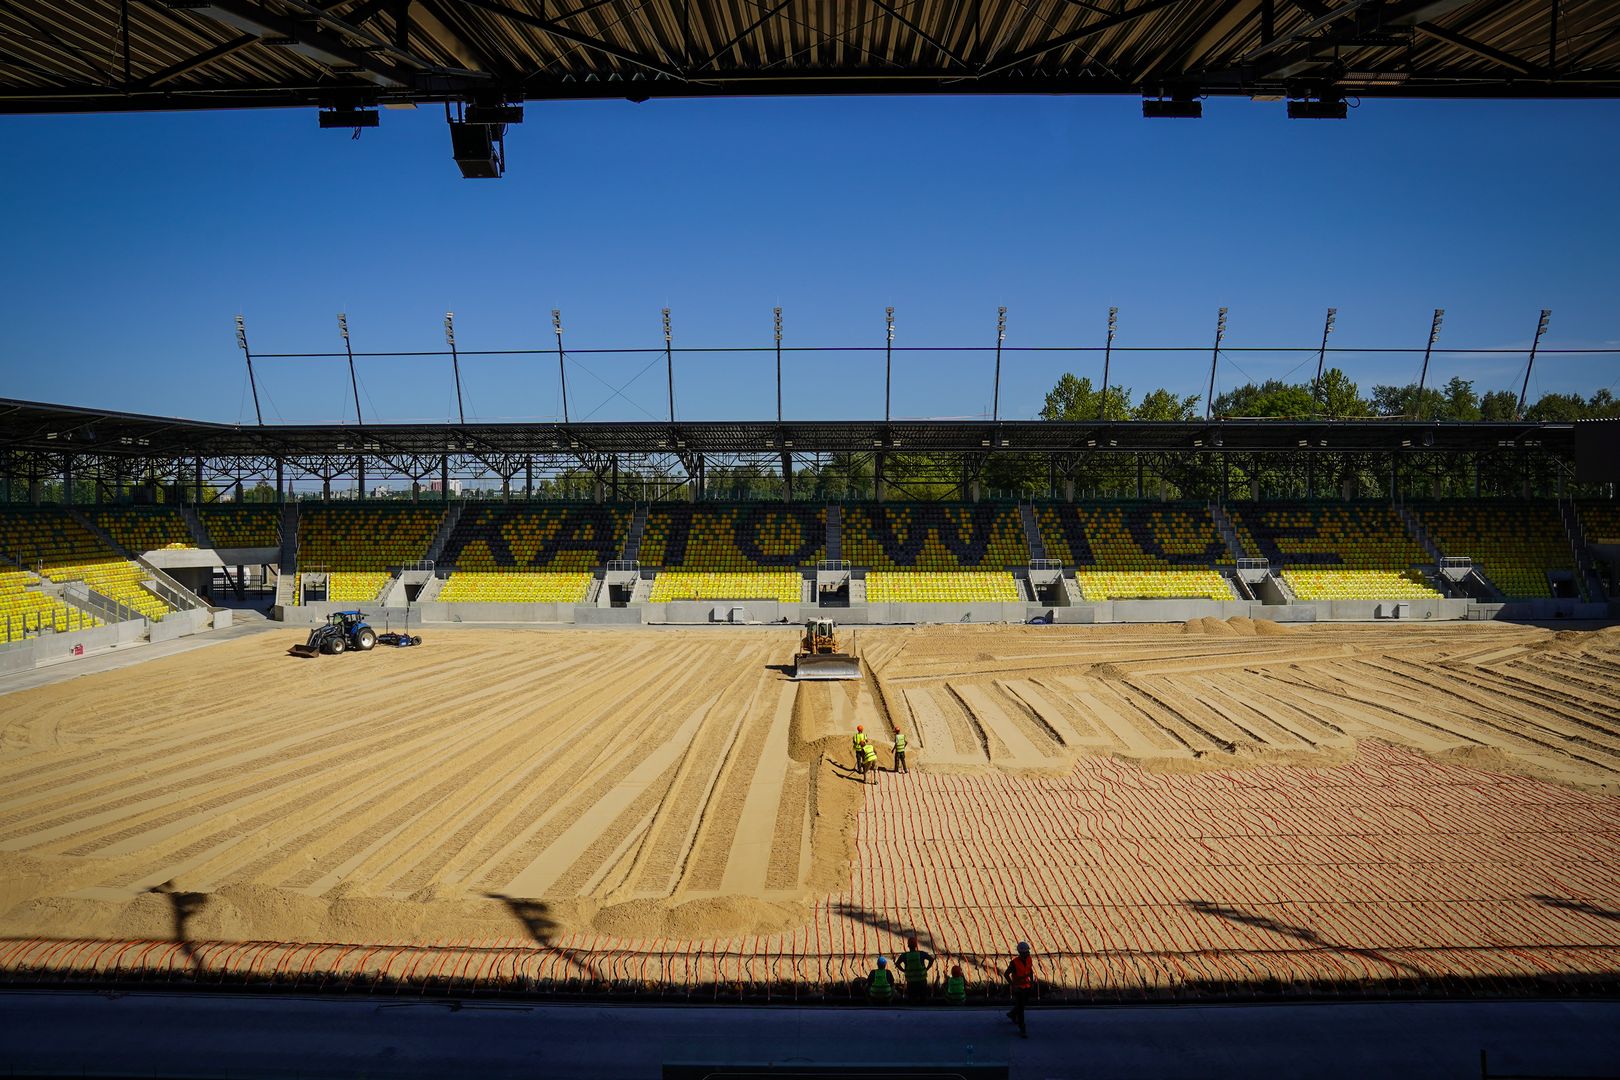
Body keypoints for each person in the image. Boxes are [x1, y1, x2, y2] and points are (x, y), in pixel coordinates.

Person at [1004, 941, 1034, 1037]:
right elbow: (1006, 974)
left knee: (1023, 1004)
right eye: (1025, 952)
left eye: (1028, 952)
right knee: (1021, 1009)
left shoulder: (1029, 959)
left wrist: (1032, 982)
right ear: (1020, 953)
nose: (1027, 954)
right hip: (1018, 988)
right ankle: (1022, 1028)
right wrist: (1013, 986)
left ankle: (1012, 1013)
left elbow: (1030, 970)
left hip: (1027, 986)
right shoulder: (1014, 963)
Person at [897, 934, 934, 1001]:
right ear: (916, 945)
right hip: (921, 981)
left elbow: (897, 964)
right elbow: (931, 959)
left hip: (911, 982)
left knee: (912, 999)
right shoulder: (921, 954)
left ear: (908, 945)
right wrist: (927, 969)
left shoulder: (904, 955)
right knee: (923, 999)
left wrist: (904, 970)